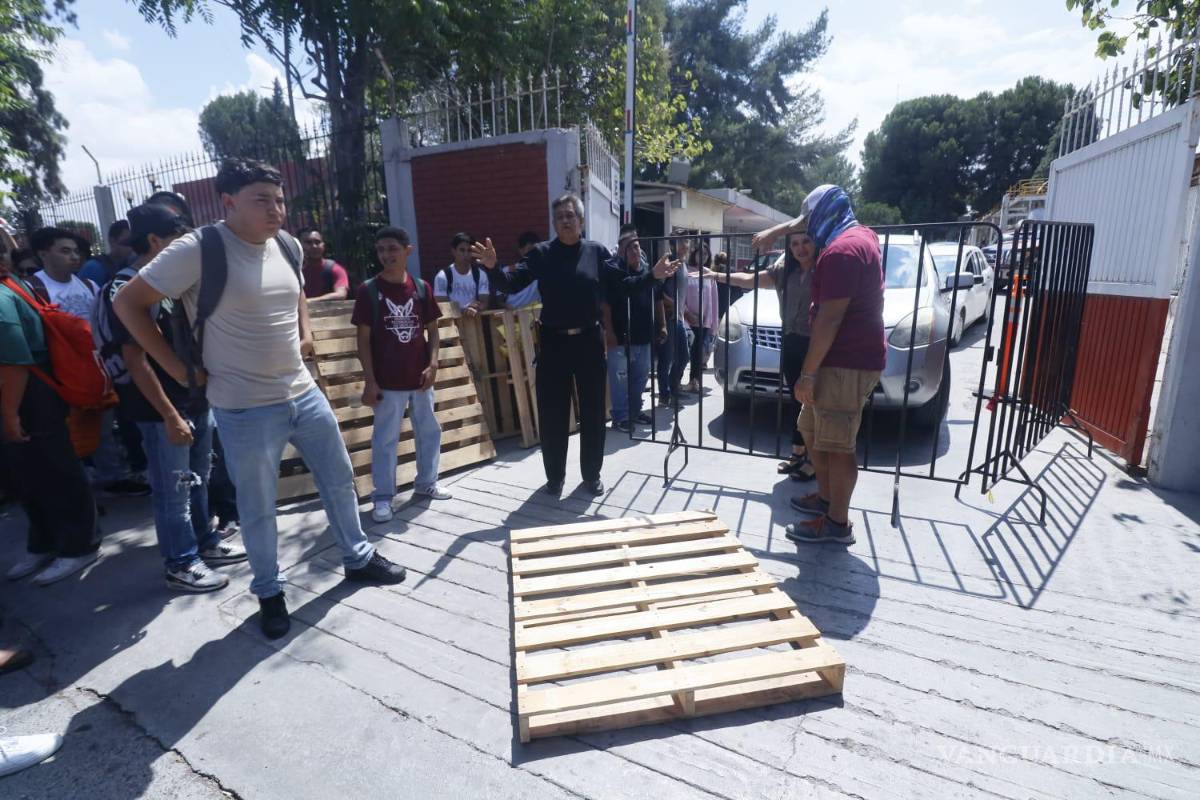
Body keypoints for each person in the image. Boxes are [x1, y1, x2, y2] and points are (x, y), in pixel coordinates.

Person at [114, 157, 407, 639]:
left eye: (280, 199)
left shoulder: (286, 244)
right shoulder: (199, 249)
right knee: (258, 505)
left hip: (302, 392)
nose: (277, 210)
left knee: (338, 480)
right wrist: (177, 370)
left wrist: (306, 329)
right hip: (243, 406)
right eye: (261, 200)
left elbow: (294, 293)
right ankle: (269, 591)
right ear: (228, 203)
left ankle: (357, 557)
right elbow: (127, 303)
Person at [472, 194, 678, 495]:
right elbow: (512, 284)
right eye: (560, 217)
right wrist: (492, 268)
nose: (565, 220)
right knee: (553, 414)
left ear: (581, 221)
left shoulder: (596, 253)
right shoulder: (541, 254)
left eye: (570, 215)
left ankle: (591, 475)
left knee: (594, 412)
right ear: (554, 223)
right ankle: (554, 478)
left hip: (589, 342)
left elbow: (623, 286)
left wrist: (652, 276)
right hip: (553, 343)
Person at [103, 204, 247, 592]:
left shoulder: (169, 282)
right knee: (174, 491)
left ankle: (204, 543)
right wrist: (168, 415)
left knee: (197, 480)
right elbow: (135, 360)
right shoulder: (126, 289)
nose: (188, 245)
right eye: (179, 237)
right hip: (161, 411)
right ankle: (180, 562)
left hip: (193, 401)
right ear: (154, 240)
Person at [753, 185, 885, 546]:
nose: (806, 228)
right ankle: (826, 501)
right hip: (840, 360)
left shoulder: (841, 251)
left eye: (809, 219)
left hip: (843, 363)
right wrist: (779, 231)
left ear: (824, 214)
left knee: (838, 444)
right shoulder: (860, 237)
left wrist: (807, 375)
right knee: (813, 432)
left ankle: (836, 524)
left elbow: (829, 319)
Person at [0, 227, 102, 585]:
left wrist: (9, 414)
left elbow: (13, 362)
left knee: (57, 472)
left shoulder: (4, 294)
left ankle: (79, 545)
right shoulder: (14, 284)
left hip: (30, 397)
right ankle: (43, 542)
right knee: (25, 476)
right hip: (21, 397)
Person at [353, 227, 452, 523]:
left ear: (407, 250)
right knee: (385, 440)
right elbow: (362, 341)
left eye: (392, 248)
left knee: (429, 432)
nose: (386, 255)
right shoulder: (368, 291)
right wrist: (370, 380)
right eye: (381, 249)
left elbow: (433, 332)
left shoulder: (421, 288)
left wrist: (433, 364)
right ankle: (383, 497)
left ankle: (426, 483)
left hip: (420, 379)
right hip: (387, 383)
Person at [705, 232, 818, 481]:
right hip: (791, 342)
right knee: (796, 399)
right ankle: (798, 452)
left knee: (812, 402)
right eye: (795, 244)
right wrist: (716, 275)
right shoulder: (784, 272)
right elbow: (749, 279)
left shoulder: (824, 272)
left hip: (815, 344)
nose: (801, 248)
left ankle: (813, 460)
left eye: (806, 242)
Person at [602, 225, 665, 432]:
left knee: (641, 377)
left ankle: (635, 412)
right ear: (621, 250)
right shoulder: (613, 271)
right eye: (629, 248)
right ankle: (620, 417)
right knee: (620, 380)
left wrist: (662, 325)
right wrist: (608, 332)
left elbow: (657, 300)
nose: (634, 251)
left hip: (643, 337)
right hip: (620, 338)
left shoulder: (648, 271)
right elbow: (606, 304)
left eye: (636, 246)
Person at [656, 233, 693, 407]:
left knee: (684, 356)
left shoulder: (683, 264)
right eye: (681, 241)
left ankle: (672, 388)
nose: (685, 244)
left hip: (678, 318)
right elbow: (657, 292)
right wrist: (673, 303)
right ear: (673, 244)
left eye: (687, 241)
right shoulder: (670, 263)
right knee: (667, 358)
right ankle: (665, 395)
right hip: (668, 317)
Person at [29, 227, 95, 318]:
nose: (75, 257)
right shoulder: (31, 288)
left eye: (76, 251)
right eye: (65, 251)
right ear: (43, 255)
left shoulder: (90, 285)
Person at [683, 246, 719, 394]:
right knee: (684, 352)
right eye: (700, 253)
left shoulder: (708, 274)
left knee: (698, 353)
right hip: (686, 320)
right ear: (694, 253)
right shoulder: (686, 270)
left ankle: (695, 381)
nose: (703, 256)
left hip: (704, 321)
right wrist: (687, 314)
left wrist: (714, 324)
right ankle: (675, 382)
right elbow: (681, 295)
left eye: (706, 254)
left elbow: (714, 300)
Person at [434, 232, 490, 318]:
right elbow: (442, 307)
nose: (466, 254)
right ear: (454, 251)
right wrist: (464, 310)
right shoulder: (442, 276)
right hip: (452, 327)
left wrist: (476, 307)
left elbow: (484, 303)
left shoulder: (480, 275)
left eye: (469, 251)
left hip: (475, 325)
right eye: (462, 250)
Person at [298, 228, 351, 302]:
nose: (314, 246)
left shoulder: (335, 269)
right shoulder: (297, 272)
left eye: (317, 242)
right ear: (299, 245)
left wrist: (309, 301)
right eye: (308, 242)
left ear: (323, 245)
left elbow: (341, 294)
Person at [78, 219, 134, 287]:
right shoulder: (94, 268)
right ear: (112, 241)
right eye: (128, 241)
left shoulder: (131, 264)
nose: (132, 246)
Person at [502, 231, 542, 309]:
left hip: (535, 314)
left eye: (536, 249)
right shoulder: (507, 271)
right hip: (511, 314)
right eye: (530, 249)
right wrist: (507, 307)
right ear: (521, 251)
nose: (533, 253)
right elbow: (498, 300)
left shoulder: (544, 270)